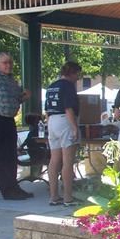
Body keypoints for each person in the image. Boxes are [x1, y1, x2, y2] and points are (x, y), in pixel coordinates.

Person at [0, 52, 33, 200]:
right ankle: (8, 191)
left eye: (9, 62)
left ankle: (14, 187)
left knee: (11, 155)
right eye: (5, 62)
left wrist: (24, 97)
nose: (8, 65)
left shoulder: (12, 81)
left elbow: (16, 100)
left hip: (8, 120)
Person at [45, 61, 83, 207]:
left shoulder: (51, 86)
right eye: (77, 74)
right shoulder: (68, 86)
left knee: (54, 160)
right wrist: (74, 127)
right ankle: (68, 198)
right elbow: (68, 108)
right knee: (68, 161)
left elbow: (47, 110)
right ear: (72, 73)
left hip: (52, 121)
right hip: (65, 121)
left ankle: (53, 196)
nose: (77, 78)